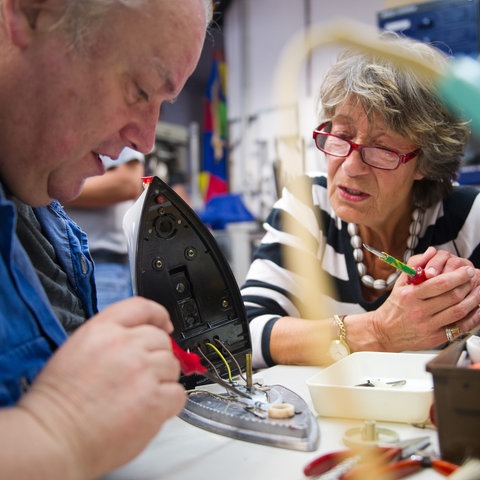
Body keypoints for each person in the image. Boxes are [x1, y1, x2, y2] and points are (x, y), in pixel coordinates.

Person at [0, 0, 212, 478]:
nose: (146, 139)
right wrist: (59, 428)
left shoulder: (41, 214)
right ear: (32, 11)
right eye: (139, 89)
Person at [241, 34, 480, 369]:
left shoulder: (469, 220)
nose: (351, 168)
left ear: (424, 163)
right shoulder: (309, 204)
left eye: (382, 150)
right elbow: (241, 332)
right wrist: (379, 332)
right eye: (341, 136)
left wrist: (467, 308)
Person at [64, 147, 145, 311]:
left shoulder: (111, 125)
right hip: (60, 261)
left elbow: (127, 183)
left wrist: (52, 186)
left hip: (99, 266)